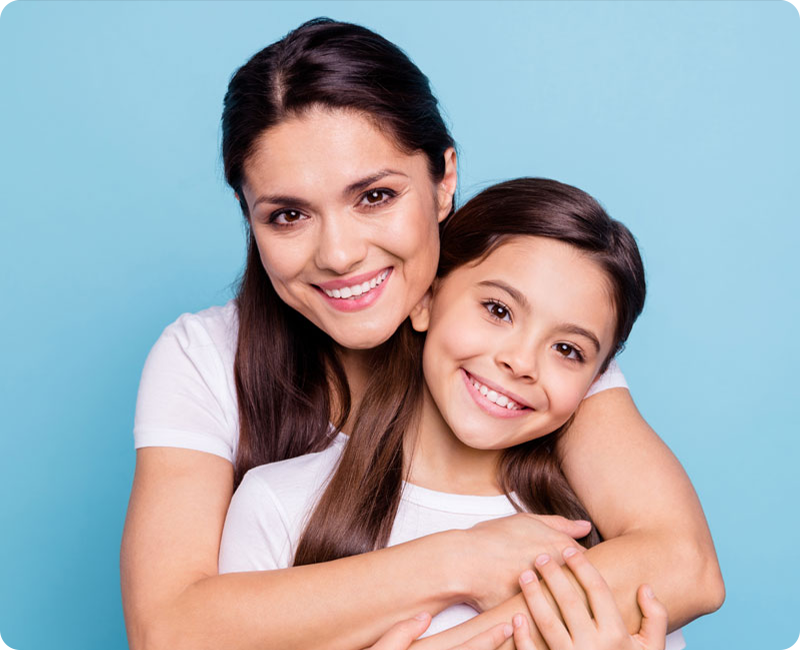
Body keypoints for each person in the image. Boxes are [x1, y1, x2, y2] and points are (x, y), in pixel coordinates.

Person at [121, 18, 724, 650]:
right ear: (250, 216)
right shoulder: (210, 363)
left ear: (443, 181)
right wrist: (457, 562)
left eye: (375, 196)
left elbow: (684, 564)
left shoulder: (525, 355)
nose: (339, 254)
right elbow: (170, 631)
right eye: (289, 214)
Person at [217, 178, 685, 650]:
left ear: (596, 379)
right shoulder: (278, 504)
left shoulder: (608, 558)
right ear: (425, 299)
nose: (520, 362)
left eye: (567, 349)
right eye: (498, 310)